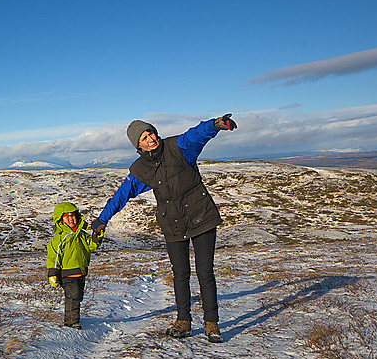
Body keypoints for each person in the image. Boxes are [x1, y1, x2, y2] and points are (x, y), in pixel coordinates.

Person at [91, 114, 237, 343]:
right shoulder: (140, 169)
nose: (151, 139)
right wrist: (102, 219)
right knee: (180, 274)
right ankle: (183, 321)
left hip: (201, 215)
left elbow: (195, 135)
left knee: (205, 273)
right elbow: (122, 194)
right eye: (144, 138)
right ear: (137, 146)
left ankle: (211, 323)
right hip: (173, 223)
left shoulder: (178, 147)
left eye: (151, 133)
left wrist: (214, 125)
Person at [46, 202, 102, 330]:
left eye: (73, 216)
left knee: (78, 297)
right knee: (73, 296)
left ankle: (73, 319)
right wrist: (53, 273)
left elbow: (92, 245)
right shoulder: (59, 238)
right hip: (67, 273)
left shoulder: (81, 235)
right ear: (60, 220)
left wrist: (97, 236)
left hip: (81, 272)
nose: (71, 219)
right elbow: (54, 257)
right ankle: (71, 322)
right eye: (67, 217)